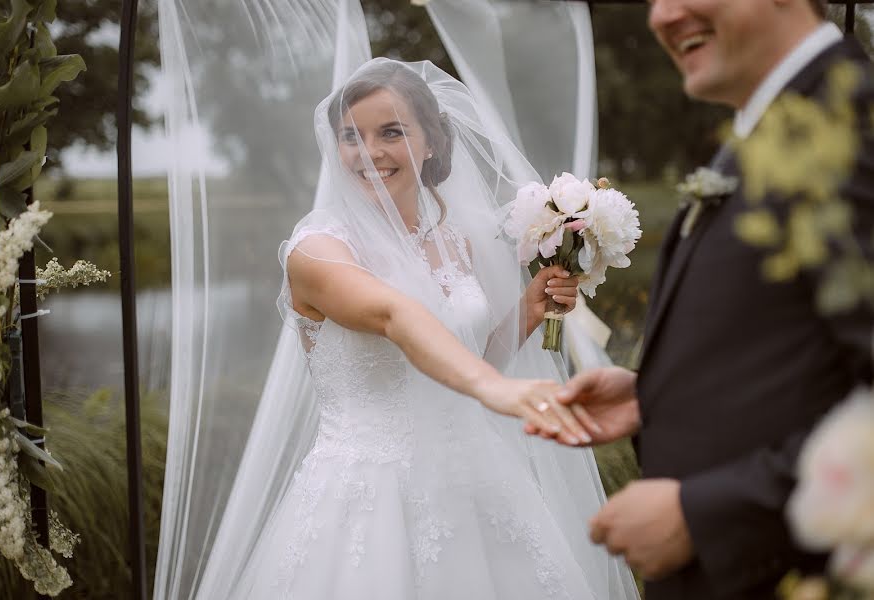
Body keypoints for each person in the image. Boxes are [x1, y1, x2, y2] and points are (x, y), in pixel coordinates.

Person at [226, 59, 639, 599]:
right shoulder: (318, 251)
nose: (370, 153)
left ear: (431, 144)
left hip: (473, 480)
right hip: (367, 495)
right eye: (352, 136)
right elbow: (397, 318)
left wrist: (529, 310)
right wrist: (500, 391)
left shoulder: (452, 244)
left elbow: (472, 365)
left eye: (391, 132)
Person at [541, 1, 874, 598]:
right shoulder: (769, 127)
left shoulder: (853, 130)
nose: (662, 16)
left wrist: (705, 515)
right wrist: (658, 393)